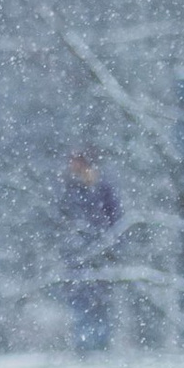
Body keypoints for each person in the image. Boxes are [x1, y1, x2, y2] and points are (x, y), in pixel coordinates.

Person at [56, 147, 120, 355]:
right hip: (76, 258)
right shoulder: (69, 189)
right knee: (80, 303)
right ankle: (84, 347)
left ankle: (100, 346)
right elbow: (61, 221)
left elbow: (114, 218)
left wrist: (109, 245)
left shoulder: (101, 189)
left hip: (99, 256)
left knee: (99, 304)